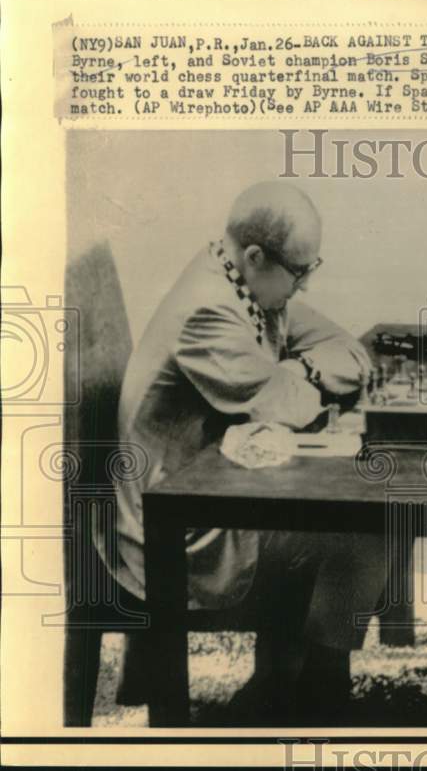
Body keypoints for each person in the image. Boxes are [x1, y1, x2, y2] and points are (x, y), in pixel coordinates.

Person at [99, 181, 386, 724]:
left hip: (217, 491)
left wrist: (296, 373)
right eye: (300, 272)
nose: (303, 287)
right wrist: (294, 382)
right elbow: (281, 406)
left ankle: (290, 676)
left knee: (367, 511)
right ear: (256, 256)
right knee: (372, 520)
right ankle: (312, 685)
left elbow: (349, 351)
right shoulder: (207, 311)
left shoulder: (241, 285)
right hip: (177, 532)